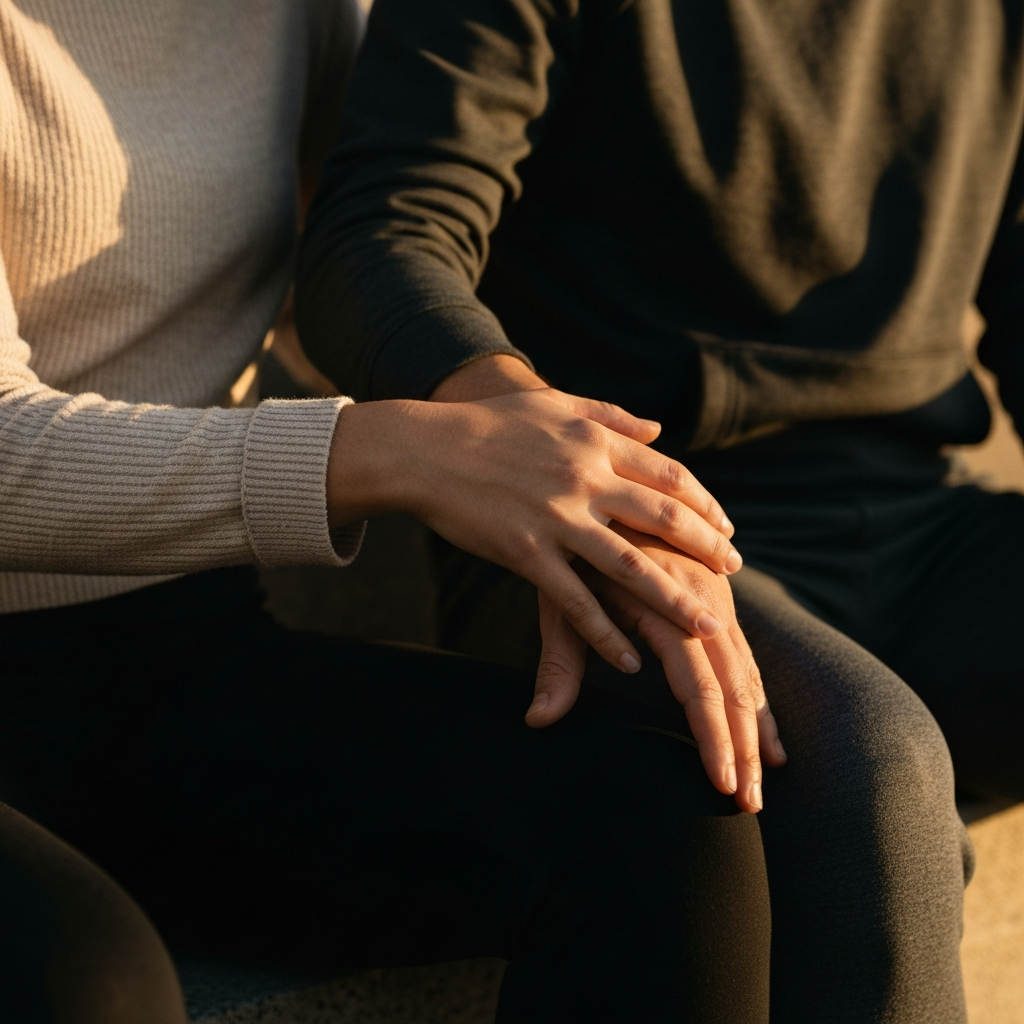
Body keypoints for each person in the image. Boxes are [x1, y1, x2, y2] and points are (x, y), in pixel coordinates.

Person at [0, 2, 961, 1022]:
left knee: (665, 820)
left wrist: (567, 476)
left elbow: (355, 261)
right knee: (90, 986)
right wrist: (404, 451)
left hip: (162, 650)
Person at [293, 0, 1019, 1018]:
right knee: (869, 776)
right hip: (613, 517)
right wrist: (534, 439)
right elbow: (377, 233)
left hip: (919, 515)